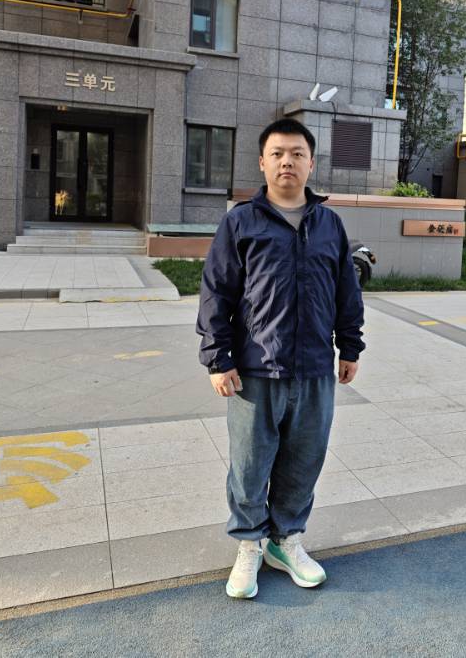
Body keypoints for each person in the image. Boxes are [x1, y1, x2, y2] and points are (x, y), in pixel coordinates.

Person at [196, 117, 365, 599]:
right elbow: (216, 293)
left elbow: (346, 291)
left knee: (303, 461)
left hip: (314, 369)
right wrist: (218, 358)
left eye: (297, 154)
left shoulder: (329, 224)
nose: (287, 161)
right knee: (250, 465)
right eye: (277, 153)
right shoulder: (241, 222)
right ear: (262, 163)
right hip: (255, 370)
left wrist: (350, 345)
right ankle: (249, 544)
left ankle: (285, 540)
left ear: (311, 164)